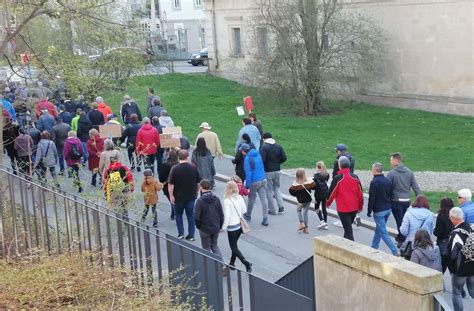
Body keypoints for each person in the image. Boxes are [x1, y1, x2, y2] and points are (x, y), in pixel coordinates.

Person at [387, 152, 421, 244]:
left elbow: (387, 188)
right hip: (407, 201)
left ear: (395, 160)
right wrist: (420, 200)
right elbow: (416, 187)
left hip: (396, 201)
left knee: (400, 221)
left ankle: (402, 240)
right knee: (405, 220)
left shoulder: (392, 173)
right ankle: (402, 237)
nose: (390, 162)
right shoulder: (409, 172)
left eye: (391, 160)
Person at [326, 156, 364, 241]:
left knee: (348, 230)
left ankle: (351, 248)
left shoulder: (338, 178)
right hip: (354, 208)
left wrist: (327, 202)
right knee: (347, 228)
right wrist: (360, 206)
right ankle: (345, 245)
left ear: (339, 166)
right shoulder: (355, 177)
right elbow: (360, 194)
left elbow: (332, 192)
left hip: (343, 209)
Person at [168, 150, 201, 240]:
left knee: (178, 214)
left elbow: (171, 184)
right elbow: (198, 182)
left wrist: (171, 195)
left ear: (179, 157)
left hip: (178, 196)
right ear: (187, 157)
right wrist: (197, 191)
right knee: (190, 215)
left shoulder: (175, 168)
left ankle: (181, 233)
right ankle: (191, 235)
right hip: (191, 196)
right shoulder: (193, 168)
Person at [367, 162, 399, 255]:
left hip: (379, 210)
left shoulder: (374, 182)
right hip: (387, 209)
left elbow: (372, 198)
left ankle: (394, 251)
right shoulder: (387, 180)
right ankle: (373, 247)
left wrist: (369, 211)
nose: (371, 171)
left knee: (383, 232)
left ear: (375, 170)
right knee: (379, 229)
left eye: (372, 169)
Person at [447, 207, 474, 311]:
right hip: (472, 265)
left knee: (456, 293)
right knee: (472, 291)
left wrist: (451, 268)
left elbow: (452, 255)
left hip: (460, 269)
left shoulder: (456, 233)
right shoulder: (472, 227)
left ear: (453, 218)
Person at [222, 181, 252, 273]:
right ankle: (232, 263)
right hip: (239, 226)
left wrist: (223, 227)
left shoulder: (227, 201)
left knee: (233, 247)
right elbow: (244, 210)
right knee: (234, 245)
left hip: (231, 227)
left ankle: (246, 263)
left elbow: (227, 216)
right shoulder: (239, 197)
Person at [194, 179, 224, 258]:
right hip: (215, 227)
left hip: (204, 228)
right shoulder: (216, 199)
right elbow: (221, 214)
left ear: (201, 187)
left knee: (206, 248)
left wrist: (199, 226)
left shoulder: (200, 201)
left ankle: (208, 266)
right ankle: (221, 264)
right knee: (215, 246)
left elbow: (196, 216)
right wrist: (220, 226)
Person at [241, 144, 269, 226]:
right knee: (264, 199)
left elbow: (248, 173)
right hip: (263, 178)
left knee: (251, 199)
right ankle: (265, 218)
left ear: (243, 151)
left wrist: (247, 186)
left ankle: (248, 215)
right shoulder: (258, 154)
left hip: (254, 181)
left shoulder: (247, 159)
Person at [260, 132, 287, 214]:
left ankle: (272, 209)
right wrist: (278, 162)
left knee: (269, 190)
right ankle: (280, 205)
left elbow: (262, 160)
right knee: (277, 188)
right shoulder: (278, 146)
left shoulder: (264, 147)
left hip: (268, 171)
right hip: (277, 170)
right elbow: (284, 157)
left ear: (264, 139)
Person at [289, 169, 315, 234]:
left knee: (298, 210)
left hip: (300, 200)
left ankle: (301, 223)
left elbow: (291, 191)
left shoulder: (295, 184)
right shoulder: (309, 181)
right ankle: (306, 228)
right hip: (308, 200)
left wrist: (296, 195)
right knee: (305, 213)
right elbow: (314, 186)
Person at [434, 197, 455, 273]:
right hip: (453, 243)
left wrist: (434, 231)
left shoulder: (441, 216)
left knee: (441, 268)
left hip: (442, 244)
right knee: (453, 270)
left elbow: (438, 232)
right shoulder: (455, 215)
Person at [159, 149, 179, 220]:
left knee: (171, 199)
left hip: (167, 184)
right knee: (175, 199)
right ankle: (174, 213)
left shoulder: (165, 165)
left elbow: (161, 176)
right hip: (178, 184)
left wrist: (162, 182)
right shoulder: (178, 165)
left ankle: (174, 213)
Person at [313, 161, 330, 230]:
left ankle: (321, 220)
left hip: (318, 194)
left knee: (316, 208)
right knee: (324, 208)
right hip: (325, 192)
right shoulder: (327, 174)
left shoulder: (316, 176)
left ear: (317, 167)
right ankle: (326, 223)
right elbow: (326, 182)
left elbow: (314, 186)